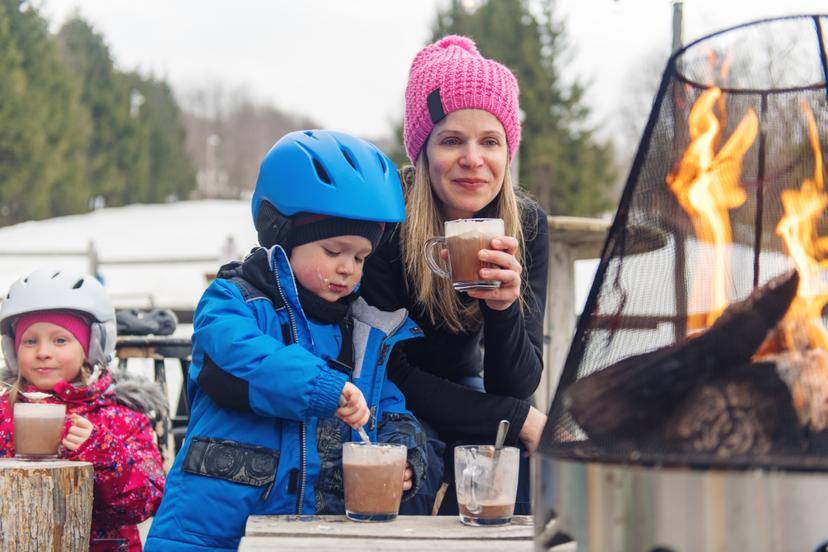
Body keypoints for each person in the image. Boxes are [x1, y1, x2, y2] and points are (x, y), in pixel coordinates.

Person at [145, 130, 428, 551]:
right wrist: (323, 387)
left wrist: (402, 447)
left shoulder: (363, 331)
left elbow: (383, 402)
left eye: (360, 257)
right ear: (284, 233)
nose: (348, 268)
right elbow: (244, 359)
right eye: (334, 251)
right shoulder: (233, 302)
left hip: (313, 538)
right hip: (209, 537)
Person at [361, 35, 550, 514]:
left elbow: (516, 382)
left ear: (508, 152)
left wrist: (504, 309)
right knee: (411, 460)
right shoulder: (389, 219)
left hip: (468, 390)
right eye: (451, 140)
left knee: (520, 463)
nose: (473, 159)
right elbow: (391, 369)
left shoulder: (524, 225)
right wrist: (517, 418)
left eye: (490, 141)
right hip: (388, 395)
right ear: (423, 152)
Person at [0, 268, 166, 551]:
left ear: (93, 346)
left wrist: (102, 452)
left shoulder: (123, 418)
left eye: (60, 340)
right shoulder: (4, 413)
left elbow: (147, 500)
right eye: (30, 341)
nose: (43, 352)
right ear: (13, 350)